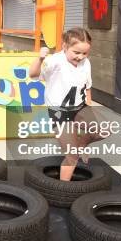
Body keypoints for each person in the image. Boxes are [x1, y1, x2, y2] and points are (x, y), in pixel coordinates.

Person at [29, 28, 102, 182]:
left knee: (103, 131)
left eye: (85, 53)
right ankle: (63, 189)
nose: (80, 57)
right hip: (60, 112)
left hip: (80, 107)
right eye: (76, 52)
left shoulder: (85, 63)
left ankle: (80, 145)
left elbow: (87, 87)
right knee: (72, 156)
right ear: (64, 47)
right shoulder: (55, 61)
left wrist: (89, 107)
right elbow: (33, 74)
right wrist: (40, 59)